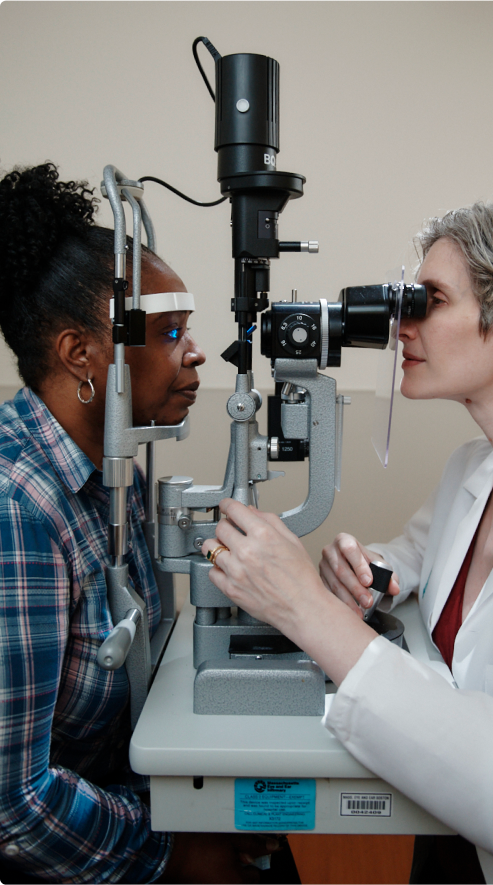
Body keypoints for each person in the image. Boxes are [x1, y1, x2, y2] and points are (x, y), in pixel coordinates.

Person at [202, 198, 493, 885]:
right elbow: (408, 560)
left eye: (428, 299)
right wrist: (364, 567)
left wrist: (308, 610)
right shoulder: (474, 469)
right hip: (444, 833)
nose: (398, 324)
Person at [0, 163, 282, 884]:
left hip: (127, 798)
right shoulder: (18, 510)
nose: (194, 352)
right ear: (80, 354)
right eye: (169, 332)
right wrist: (175, 846)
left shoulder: (118, 465)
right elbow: (13, 802)